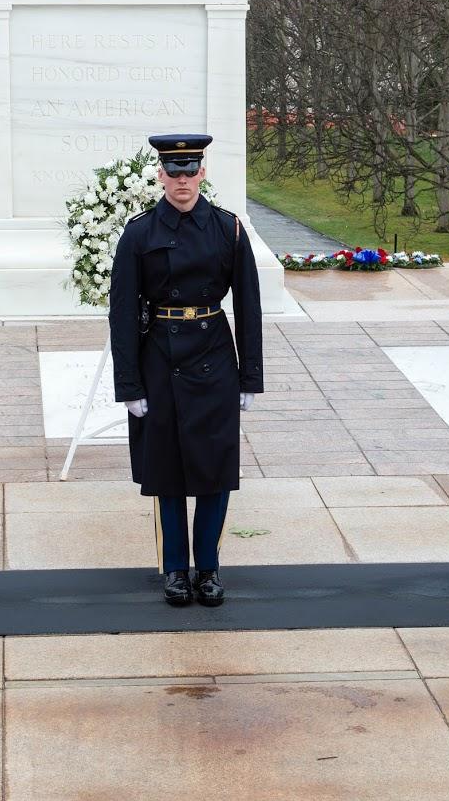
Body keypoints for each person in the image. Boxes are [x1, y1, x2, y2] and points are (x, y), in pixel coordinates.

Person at [109, 134, 264, 607]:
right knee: (167, 471)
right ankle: (176, 569)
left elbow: (249, 306)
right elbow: (121, 311)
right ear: (160, 176)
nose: (182, 180)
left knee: (215, 469)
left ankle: (209, 569)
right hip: (161, 359)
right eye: (173, 172)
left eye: (190, 170)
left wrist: (249, 376)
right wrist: (129, 385)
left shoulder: (227, 230)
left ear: (202, 173)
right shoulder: (139, 232)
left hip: (214, 357)